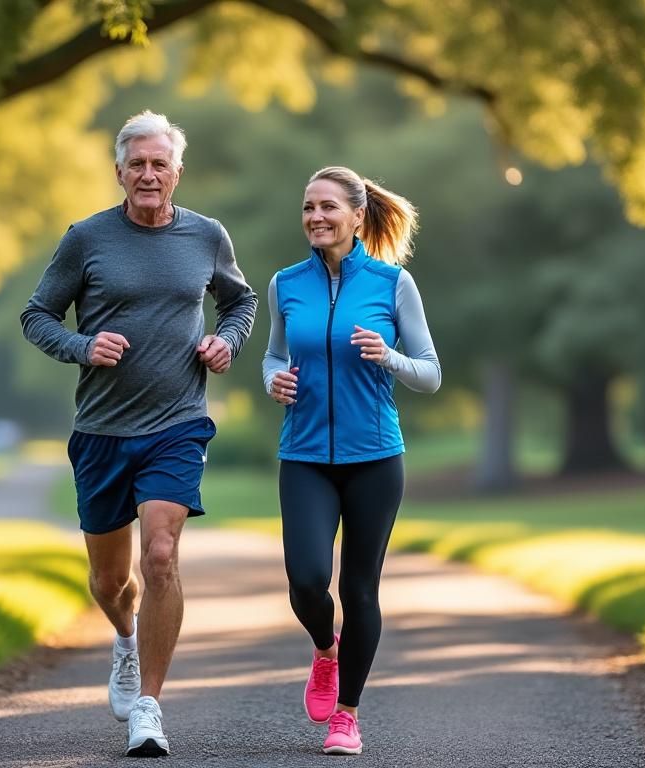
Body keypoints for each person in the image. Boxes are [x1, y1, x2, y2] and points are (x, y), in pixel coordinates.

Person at [21, 110, 258, 758]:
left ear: (177, 171)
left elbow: (240, 301)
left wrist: (225, 341)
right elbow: (37, 314)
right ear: (120, 171)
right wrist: (80, 345)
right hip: (100, 429)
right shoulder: (86, 239)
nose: (148, 174)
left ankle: (148, 708)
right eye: (137, 164)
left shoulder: (207, 236)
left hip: (176, 423)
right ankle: (124, 642)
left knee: (160, 555)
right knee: (108, 581)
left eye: (160, 164)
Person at [263, 166, 441, 755]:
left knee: (360, 590)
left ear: (357, 215)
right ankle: (324, 650)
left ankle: (347, 715)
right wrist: (273, 382)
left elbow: (431, 374)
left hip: (375, 458)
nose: (316, 217)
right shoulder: (285, 284)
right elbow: (272, 356)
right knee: (307, 580)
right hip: (305, 455)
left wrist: (388, 356)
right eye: (309, 206)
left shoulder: (393, 284)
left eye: (328, 207)